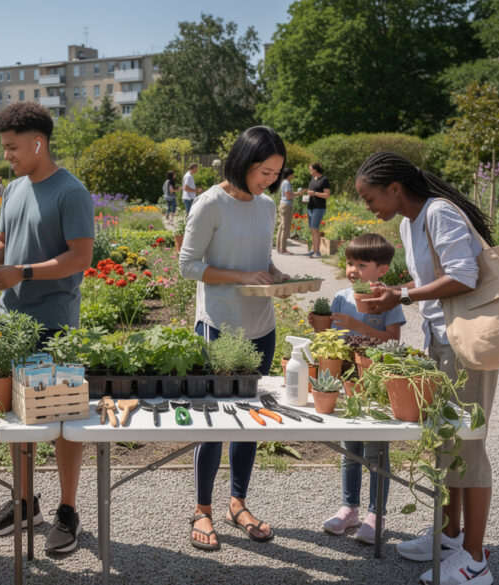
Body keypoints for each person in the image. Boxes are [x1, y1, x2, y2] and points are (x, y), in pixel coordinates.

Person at [357, 151, 499, 585]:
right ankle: (449, 536)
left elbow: (465, 276)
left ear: (394, 189)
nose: (367, 207)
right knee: (445, 441)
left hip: (468, 343)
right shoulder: (408, 222)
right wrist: (399, 289)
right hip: (442, 339)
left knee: (468, 445)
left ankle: (475, 563)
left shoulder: (439, 213)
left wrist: (402, 298)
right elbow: (433, 284)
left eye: (369, 197)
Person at [0, 102, 94, 555]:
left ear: (38, 142)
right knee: (19, 419)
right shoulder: (14, 189)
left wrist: (24, 273)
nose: (8, 156)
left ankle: (68, 510)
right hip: (10, 325)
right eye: (5, 147)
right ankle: (24, 503)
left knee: (61, 421)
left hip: (54, 327)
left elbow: (80, 258)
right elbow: (4, 247)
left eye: (13, 147)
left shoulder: (70, 192)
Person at [179, 126, 289, 551]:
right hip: (220, 326)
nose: (271, 181)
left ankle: (237, 503)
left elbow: (261, 257)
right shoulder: (210, 204)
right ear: (243, 163)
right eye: (265, 172)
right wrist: (242, 276)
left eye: (276, 174)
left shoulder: (267, 206)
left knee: (250, 420)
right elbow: (188, 266)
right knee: (216, 421)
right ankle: (202, 510)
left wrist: (276, 274)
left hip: (261, 325)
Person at [310, 233, 405, 544]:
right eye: (350, 262)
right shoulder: (340, 297)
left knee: (376, 449)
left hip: (378, 384)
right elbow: (335, 343)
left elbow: (393, 340)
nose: (352, 269)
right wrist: (320, 328)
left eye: (361, 264)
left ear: (382, 270)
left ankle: (376, 514)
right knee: (350, 448)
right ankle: (349, 508)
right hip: (349, 381)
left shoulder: (387, 300)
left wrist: (358, 326)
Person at [306, 162, 331, 257]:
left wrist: (315, 193)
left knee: (315, 229)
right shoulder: (312, 179)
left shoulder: (324, 180)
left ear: (315, 170)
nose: (309, 171)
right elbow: (311, 192)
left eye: (310, 169)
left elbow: (327, 195)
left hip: (319, 207)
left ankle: (317, 252)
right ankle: (314, 249)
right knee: (312, 229)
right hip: (310, 207)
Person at [275, 168, 300, 254]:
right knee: (285, 227)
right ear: (289, 175)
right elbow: (288, 196)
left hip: (282, 205)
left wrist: (294, 193)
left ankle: (279, 248)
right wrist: (298, 194)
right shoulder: (287, 183)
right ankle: (283, 249)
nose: (293, 176)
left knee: (281, 227)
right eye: (292, 174)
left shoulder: (283, 182)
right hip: (286, 206)